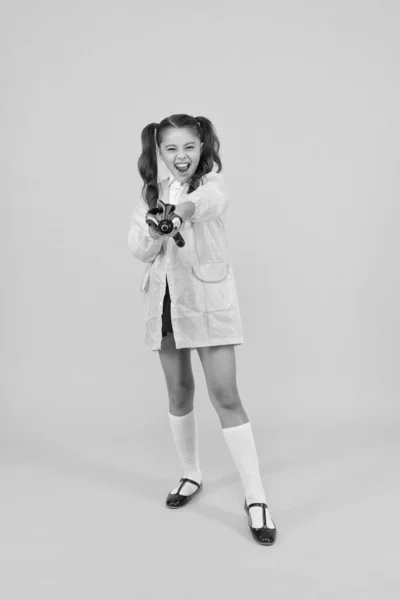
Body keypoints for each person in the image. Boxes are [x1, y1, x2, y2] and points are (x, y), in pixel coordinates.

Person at [128, 114, 277, 545]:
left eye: (189, 147)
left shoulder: (212, 184)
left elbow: (209, 204)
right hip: (166, 300)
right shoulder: (149, 194)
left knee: (226, 396)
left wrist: (181, 213)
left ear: (201, 147)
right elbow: (139, 248)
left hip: (209, 302)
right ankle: (191, 474)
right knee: (178, 392)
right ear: (159, 152)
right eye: (171, 148)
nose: (181, 157)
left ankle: (256, 497)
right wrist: (158, 227)